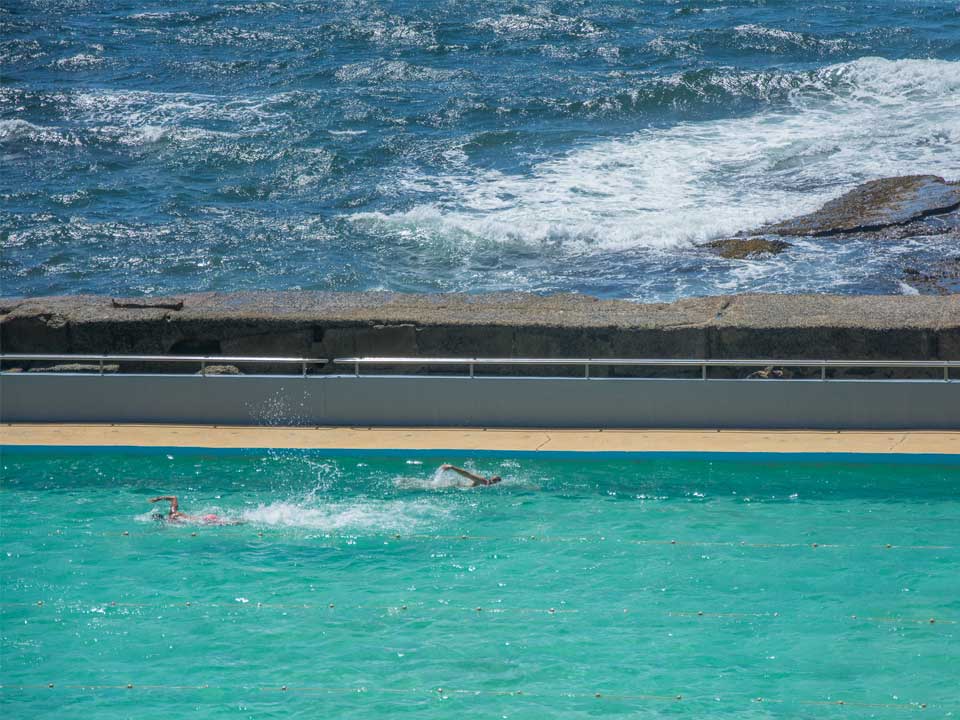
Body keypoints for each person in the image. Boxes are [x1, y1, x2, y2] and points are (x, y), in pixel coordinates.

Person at [149, 496, 239, 525]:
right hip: (207, 517)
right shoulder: (173, 512)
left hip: (205, 520)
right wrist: (158, 499)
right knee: (232, 520)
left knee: (233, 523)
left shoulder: (171, 520)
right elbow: (173, 498)